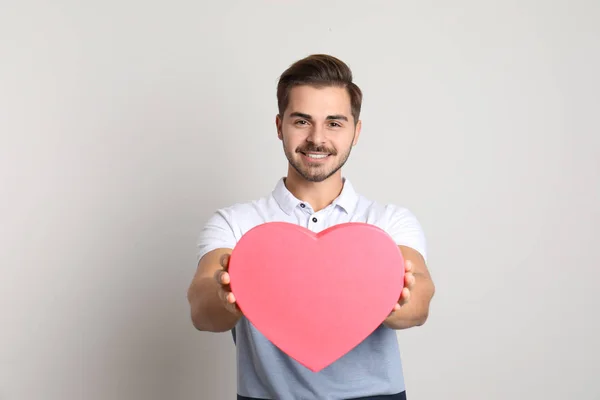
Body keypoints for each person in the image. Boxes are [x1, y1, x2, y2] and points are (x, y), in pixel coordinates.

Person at [187, 54, 436, 400]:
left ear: (356, 132)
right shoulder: (236, 224)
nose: (317, 138)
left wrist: (395, 298)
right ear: (279, 126)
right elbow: (201, 310)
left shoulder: (387, 223)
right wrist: (225, 298)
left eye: (334, 123)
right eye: (302, 121)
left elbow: (419, 303)